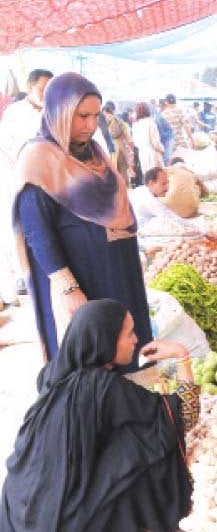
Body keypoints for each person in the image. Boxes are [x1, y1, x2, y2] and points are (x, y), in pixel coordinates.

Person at [0, 299, 196, 532]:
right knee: (149, 444)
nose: (136, 339)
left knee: (136, 435)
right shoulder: (105, 387)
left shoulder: (55, 373)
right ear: (104, 339)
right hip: (60, 529)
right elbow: (183, 416)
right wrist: (181, 356)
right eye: (128, 334)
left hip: (24, 506)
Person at [13, 73, 152, 372]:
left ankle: (129, 408)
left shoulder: (96, 154)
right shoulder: (38, 159)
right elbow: (38, 232)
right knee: (92, 355)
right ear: (59, 112)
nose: (90, 125)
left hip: (116, 271)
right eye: (82, 116)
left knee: (124, 344)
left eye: (95, 116)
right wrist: (68, 288)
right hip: (82, 276)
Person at [0, 68, 53, 306]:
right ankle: (24, 278)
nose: (46, 93)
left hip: (47, 180)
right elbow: (9, 149)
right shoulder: (15, 113)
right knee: (19, 231)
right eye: (42, 89)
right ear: (30, 86)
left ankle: (46, 272)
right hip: (18, 179)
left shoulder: (52, 110)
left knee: (45, 229)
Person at [103, 101, 133, 183]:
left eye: (104, 114)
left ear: (106, 112)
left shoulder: (113, 120)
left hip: (118, 149)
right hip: (120, 148)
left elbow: (115, 133)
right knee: (121, 171)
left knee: (121, 170)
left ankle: (125, 189)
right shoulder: (117, 119)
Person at [132, 102, 164, 174]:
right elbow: (156, 142)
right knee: (158, 177)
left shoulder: (135, 125)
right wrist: (162, 150)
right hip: (153, 154)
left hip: (142, 154)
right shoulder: (151, 123)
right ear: (148, 111)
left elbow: (135, 143)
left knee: (148, 178)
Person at [154, 100, 174, 165]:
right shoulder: (162, 116)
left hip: (162, 140)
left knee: (165, 159)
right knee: (166, 160)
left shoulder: (158, 115)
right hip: (166, 140)